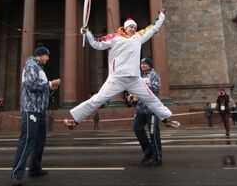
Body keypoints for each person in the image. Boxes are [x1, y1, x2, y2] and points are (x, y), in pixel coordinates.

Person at [63, 11, 180, 130]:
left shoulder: (138, 37)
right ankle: (75, 121)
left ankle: (166, 119)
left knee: (151, 98)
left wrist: (161, 17)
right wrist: (86, 32)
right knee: (98, 99)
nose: (133, 29)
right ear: (125, 27)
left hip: (134, 79)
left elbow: (153, 29)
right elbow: (96, 44)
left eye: (134, 27)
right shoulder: (114, 38)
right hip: (116, 78)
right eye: (131, 27)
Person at [10, 44, 61, 186]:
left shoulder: (39, 69)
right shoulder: (31, 65)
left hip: (39, 111)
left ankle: (34, 168)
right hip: (30, 110)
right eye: (47, 55)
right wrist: (51, 84)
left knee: (39, 142)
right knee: (27, 141)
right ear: (41, 54)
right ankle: (17, 174)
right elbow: (31, 85)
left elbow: (40, 88)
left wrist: (50, 88)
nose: (48, 58)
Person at [131, 57, 163, 166]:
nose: (143, 65)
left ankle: (157, 157)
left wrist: (143, 86)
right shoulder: (140, 76)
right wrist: (132, 96)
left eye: (145, 63)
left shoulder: (154, 75)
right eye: (141, 64)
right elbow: (136, 90)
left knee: (154, 133)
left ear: (150, 65)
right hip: (140, 109)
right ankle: (148, 152)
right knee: (137, 128)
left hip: (151, 109)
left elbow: (156, 89)